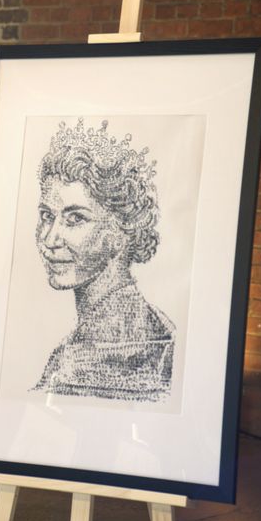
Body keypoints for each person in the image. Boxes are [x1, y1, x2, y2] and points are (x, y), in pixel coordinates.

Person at [31, 119, 174, 402]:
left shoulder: (112, 351)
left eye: (76, 219)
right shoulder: (153, 322)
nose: (49, 239)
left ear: (122, 231)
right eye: (47, 216)